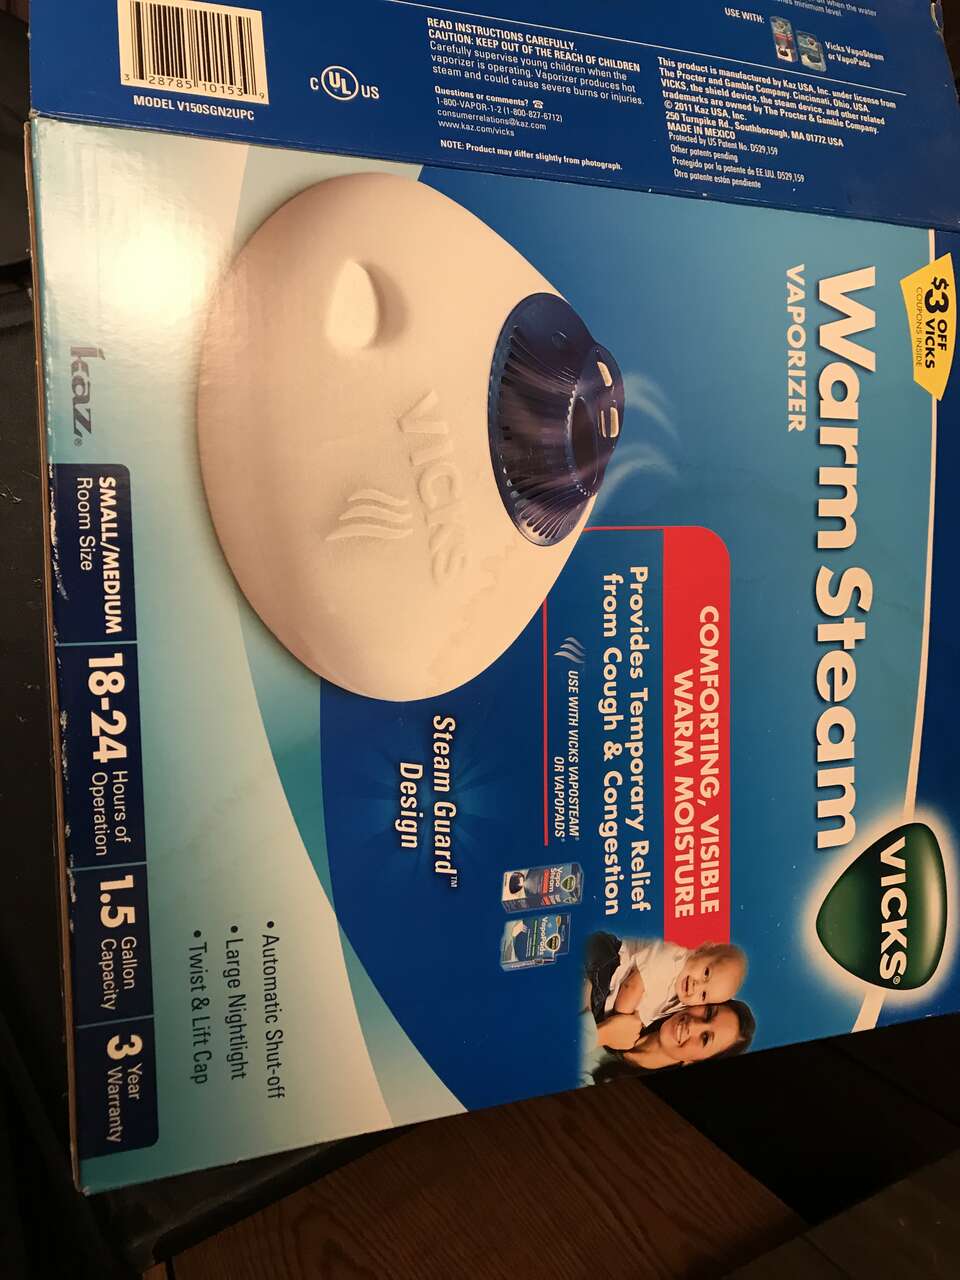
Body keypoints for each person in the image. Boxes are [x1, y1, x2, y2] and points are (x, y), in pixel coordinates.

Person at [583, 932, 747, 1028]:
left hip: (605, 996)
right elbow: (631, 987)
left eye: (703, 995)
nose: (697, 986)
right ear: (704, 949)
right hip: (608, 963)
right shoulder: (674, 955)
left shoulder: (678, 1001)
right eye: (706, 973)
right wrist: (618, 1025)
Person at [586, 1000, 756, 1083]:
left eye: (705, 1038)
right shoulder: (634, 998)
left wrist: (601, 1035)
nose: (693, 1025)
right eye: (709, 1012)